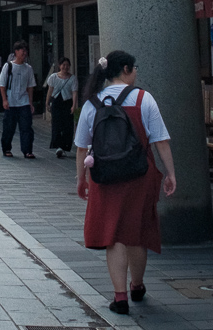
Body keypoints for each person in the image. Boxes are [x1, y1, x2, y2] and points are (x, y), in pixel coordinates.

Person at [75, 50, 175, 314]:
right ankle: (137, 285)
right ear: (127, 69)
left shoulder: (92, 102)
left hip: (104, 176)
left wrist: (80, 179)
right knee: (136, 231)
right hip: (138, 174)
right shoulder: (144, 99)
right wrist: (171, 173)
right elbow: (160, 140)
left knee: (112, 235)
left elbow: (81, 148)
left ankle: (119, 297)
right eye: (135, 68)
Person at [0, 42, 38, 159]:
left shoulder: (28, 68)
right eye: (22, 51)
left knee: (26, 127)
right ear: (16, 52)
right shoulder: (8, 66)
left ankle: (27, 150)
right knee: (9, 127)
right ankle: (6, 148)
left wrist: (30, 102)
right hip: (11, 102)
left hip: (24, 102)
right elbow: (2, 85)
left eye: (26, 51)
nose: (24, 54)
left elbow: (30, 87)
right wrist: (4, 100)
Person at [48, 58, 78, 158]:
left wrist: (74, 105)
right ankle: (58, 146)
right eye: (63, 65)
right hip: (56, 102)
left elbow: (74, 92)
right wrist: (47, 102)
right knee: (56, 124)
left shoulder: (73, 78)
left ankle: (65, 146)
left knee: (67, 125)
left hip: (67, 102)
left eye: (67, 65)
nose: (65, 67)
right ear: (59, 66)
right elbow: (50, 90)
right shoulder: (53, 77)